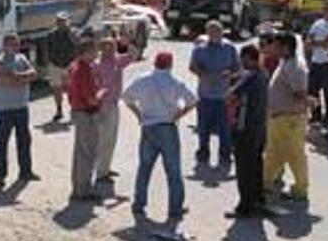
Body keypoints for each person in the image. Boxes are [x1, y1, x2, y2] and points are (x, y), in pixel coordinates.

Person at [122, 51, 197, 221]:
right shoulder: (175, 82)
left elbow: (126, 97)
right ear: (170, 64)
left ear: (155, 63)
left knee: (144, 168)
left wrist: (138, 114)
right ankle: (175, 209)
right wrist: (178, 115)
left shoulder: (143, 79)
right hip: (167, 127)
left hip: (148, 127)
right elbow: (192, 100)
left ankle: (139, 204)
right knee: (173, 171)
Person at [263, 32, 310, 202]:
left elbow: (299, 94)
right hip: (279, 117)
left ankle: (300, 189)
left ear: (286, 47)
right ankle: (265, 182)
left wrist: (309, 101)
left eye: (276, 45)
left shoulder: (296, 67)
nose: (272, 48)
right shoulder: (285, 63)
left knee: (295, 155)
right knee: (273, 153)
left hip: (291, 119)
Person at [226, 45, 269, 218]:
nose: (241, 63)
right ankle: (258, 199)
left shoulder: (250, 77)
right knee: (256, 165)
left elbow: (231, 96)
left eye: (243, 59)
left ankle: (245, 207)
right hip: (259, 127)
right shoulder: (263, 74)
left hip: (245, 129)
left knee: (244, 169)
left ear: (248, 58)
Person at [189, 20, 240, 166]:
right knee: (203, 128)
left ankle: (225, 154)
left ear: (222, 32)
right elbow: (192, 67)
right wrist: (202, 72)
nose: (214, 35)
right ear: (207, 33)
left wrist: (229, 73)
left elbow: (238, 68)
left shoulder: (229, 48)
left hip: (224, 95)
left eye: (217, 32)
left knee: (225, 128)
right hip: (205, 94)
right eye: (211, 32)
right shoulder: (200, 49)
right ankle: (203, 153)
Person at [0, 34, 40, 188]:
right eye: (10, 44)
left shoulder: (22, 58)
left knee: (24, 140)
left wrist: (16, 77)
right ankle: (0, 175)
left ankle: (26, 171)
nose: (13, 47)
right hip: (5, 108)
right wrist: (22, 78)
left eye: (16, 44)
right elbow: (5, 81)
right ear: (4, 45)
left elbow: (34, 74)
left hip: (21, 107)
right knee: (3, 143)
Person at [66, 39, 108, 202]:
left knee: (81, 152)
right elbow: (91, 99)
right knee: (87, 153)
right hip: (86, 113)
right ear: (86, 52)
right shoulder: (82, 70)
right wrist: (102, 93)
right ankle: (83, 190)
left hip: (79, 111)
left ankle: (79, 188)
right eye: (94, 51)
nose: (97, 53)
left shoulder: (75, 66)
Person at [92, 35, 137, 183]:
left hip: (114, 103)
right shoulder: (97, 64)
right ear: (101, 48)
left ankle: (106, 167)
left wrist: (128, 42)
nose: (111, 49)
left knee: (111, 138)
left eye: (113, 46)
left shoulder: (116, 59)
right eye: (107, 47)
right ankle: (100, 172)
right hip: (103, 104)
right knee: (104, 138)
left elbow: (133, 55)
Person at [306, 2, 328, 127]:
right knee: (312, 90)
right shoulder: (317, 24)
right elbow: (308, 42)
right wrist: (319, 42)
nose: (326, 11)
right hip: (316, 61)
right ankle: (316, 116)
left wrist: (316, 42)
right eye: (324, 9)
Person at [47, 12, 78, 122]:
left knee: (71, 89)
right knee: (56, 89)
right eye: (59, 21)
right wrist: (50, 61)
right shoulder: (51, 34)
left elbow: (77, 44)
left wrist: (70, 34)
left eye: (63, 21)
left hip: (69, 64)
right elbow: (48, 48)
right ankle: (59, 110)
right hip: (55, 63)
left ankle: (74, 109)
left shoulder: (73, 32)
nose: (61, 23)